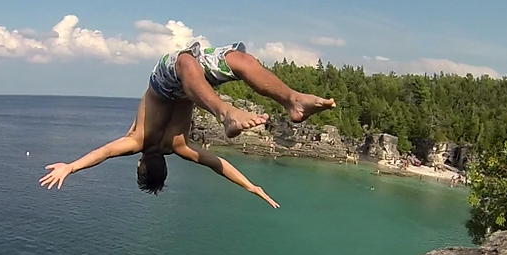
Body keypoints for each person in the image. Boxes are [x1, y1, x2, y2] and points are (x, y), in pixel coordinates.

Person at [38, 41, 336, 206]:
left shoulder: (176, 146)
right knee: (233, 60)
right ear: (139, 164)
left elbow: (217, 164)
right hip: (181, 81)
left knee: (222, 62)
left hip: (189, 85)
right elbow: (103, 153)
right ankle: (276, 102)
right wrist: (71, 166)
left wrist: (251, 186)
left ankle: (292, 101)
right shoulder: (138, 142)